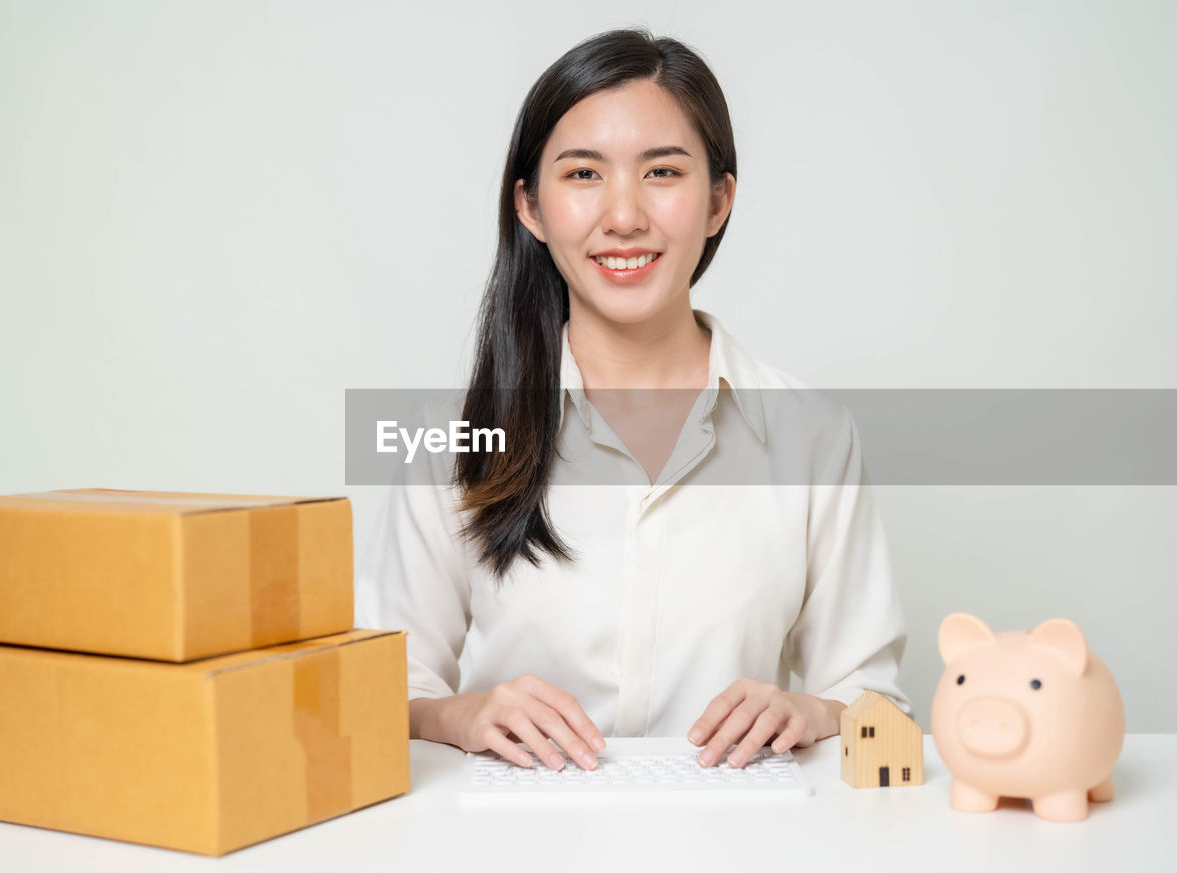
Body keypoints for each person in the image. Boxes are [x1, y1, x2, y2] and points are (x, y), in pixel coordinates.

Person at [355, 28, 909, 775]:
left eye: (662, 172)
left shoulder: (811, 434)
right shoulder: (452, 435)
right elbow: (379, 687)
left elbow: (876, 704)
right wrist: (463, 714)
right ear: (530, 206)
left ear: (719, 200)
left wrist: (812, 710)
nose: (623, 216)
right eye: (583, 174)